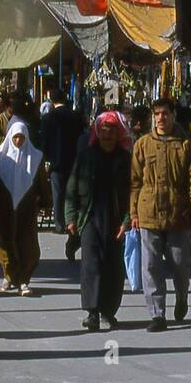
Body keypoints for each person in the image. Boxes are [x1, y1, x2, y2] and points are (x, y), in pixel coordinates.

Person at [130, 97, 191, 332]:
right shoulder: (142, 145)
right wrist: (133, 211)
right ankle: (157, 314)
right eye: (157, 114)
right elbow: (134, 182)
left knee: (180, 264)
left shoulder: (186, 146)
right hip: (148, 213)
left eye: (165, 113)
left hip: (178, 214)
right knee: (150, 265)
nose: (161, 118)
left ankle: (181, 297)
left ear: (173, 116)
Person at [65, 110, 132, 331]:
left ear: (118, 133)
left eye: (112, 130)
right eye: (103, 130)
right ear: (97, 132)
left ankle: (108, 311)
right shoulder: (86, 156)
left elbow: (132, 192)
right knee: (91, 264)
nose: (107, 135)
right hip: (89, 218)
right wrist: (70, 217)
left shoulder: (125, 159)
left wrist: (127, 220)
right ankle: (92, 312)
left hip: (115, 219)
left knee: (113, 267)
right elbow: (72, 188)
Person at [0, 119, 50, 295]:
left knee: (28, 245)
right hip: (3, 207)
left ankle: (23, 280)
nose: (18, 142)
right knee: (4, 242)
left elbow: (42, 182)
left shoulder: (35, 157)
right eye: (15, 138)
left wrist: (46, 203)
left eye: (21, 138)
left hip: (26, 208)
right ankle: (9, 275)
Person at [43, 89, 84, 233]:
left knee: (58, 194)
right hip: (74, 159)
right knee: (73, 192)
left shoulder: (48, 118)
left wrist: (46, 160)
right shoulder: (75, 116)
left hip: (56, 161)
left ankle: (60, 224)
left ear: (52, 101)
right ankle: (72, 222)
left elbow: (45, 141)